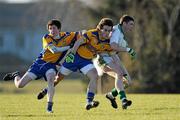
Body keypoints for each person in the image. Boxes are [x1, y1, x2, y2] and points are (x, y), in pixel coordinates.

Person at [3, 19, 80, 113]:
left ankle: (49, 108)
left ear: (59, 29)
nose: (52, 30)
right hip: (40, 63)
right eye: (50, 28)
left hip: (51, 65)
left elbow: (82, 34)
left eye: (54, 28)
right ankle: (15, 75)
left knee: (51, 80)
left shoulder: (68, 35)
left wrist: (85, 34)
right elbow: (54, 50)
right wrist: (69, 47)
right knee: (20, 85)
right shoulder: (46, 37)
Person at [36, 18, 114, 110]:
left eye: (109, 31)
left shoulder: (109, 41)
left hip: (86, 62)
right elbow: (78, 42)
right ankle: (46, 90)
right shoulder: (92, 33)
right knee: (57, 79)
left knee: (94, 76)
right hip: (74, 58)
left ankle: (89, 102)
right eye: (105, 30)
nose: (106, 32)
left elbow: (111, 52)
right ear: (100, 29)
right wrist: (72, 54)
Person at [98, 15, 136, 109]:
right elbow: (113, 46)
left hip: (112, 56)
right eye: (131, 24)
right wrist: (128, 49)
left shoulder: (120, 32)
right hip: (103, 57)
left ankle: (111, 95)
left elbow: (113, 51)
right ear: (124, 23)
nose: (132, 26)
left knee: (128, 82)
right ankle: (123, 100)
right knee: (119, 74)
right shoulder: (117, 31)